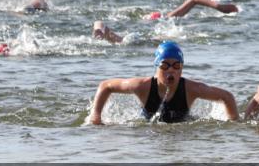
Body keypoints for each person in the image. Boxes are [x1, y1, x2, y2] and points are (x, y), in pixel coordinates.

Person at [89, 41, 238, 124]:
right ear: (156, 66)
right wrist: (95, 116)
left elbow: (227, 97)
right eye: (165, 65)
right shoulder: (143, 86)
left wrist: (233, 123)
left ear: (181, 68)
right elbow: (106, 86)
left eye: (176, 66)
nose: (170, 70)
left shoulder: (192, 89)